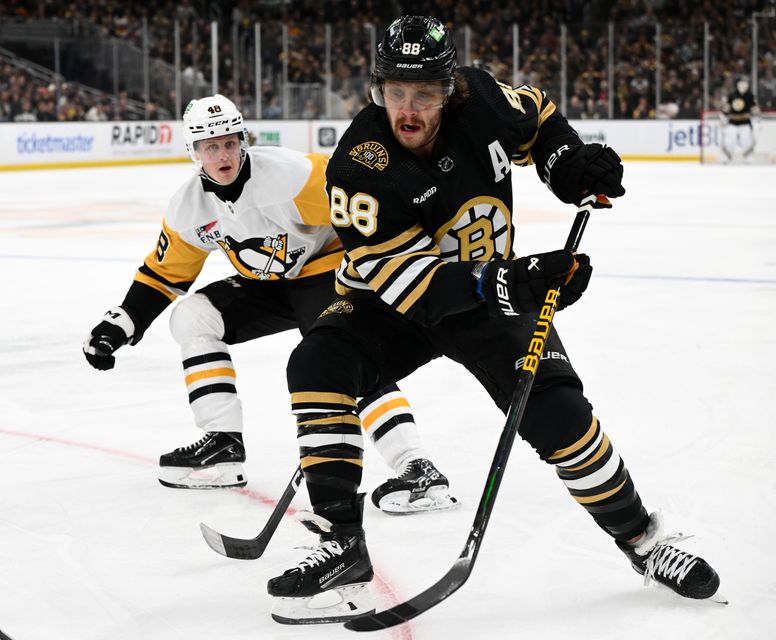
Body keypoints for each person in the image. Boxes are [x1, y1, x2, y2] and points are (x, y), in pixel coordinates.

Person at [266, 15, 722, 624]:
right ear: (377, 90)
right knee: (317, 361)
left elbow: (538, 118)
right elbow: (413, 287)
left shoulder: (481, 98)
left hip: (486, 297)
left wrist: (569, 167)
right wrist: (518, 282)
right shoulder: (358, 167)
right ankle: (342, 546)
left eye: (423, 94)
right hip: (400, 296)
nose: (408, 109)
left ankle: (643, 541)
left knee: (560, 415)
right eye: (394, 92)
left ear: (449, 89)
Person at [82, 94, 457, 514]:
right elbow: (164, 274)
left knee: (346, 353)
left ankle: (417, 467)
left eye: (229, 142)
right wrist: (121, 323)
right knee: (192, 317)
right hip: (268, 283)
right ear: (194, 152)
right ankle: (223, 443)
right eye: (210, 146)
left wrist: (382, 263)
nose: (222, 154)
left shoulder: (293, 177)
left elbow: (371, 202)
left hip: (326, 269)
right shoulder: (188, 208)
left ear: (243, 139)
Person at [720, 76, 760, 163]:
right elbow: (726, 108)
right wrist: (723, 116)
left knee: (747, 140)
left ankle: (749, 158)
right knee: (728, 140)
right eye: (741, 84)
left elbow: (755, 109)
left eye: (745, 84)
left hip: (745, 122)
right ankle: (726, 157)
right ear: (737, 85)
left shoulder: (750, 96)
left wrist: (757, 120)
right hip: (732, 122)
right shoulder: (732, 95)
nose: (743, 86)